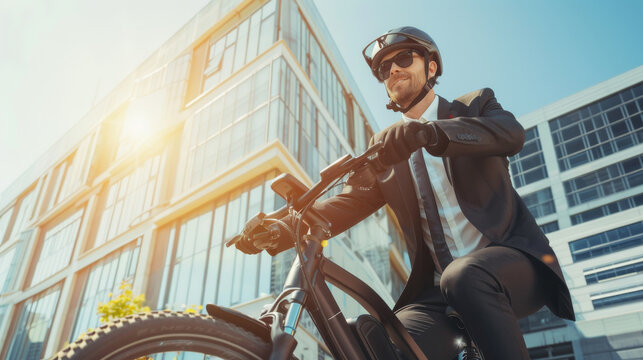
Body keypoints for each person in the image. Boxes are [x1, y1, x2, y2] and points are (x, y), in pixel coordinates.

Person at [237, 26, 575, 359]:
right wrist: (279, 228)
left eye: (404, 58)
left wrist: (430, 133)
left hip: (513, 264)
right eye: (385, 68)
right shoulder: (384, 148)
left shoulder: (475, 105)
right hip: (439, 294)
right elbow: (349, 201)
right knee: (378, 341)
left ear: (430, 67)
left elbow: (510, 134)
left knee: (464, 276)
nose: (393, 69)